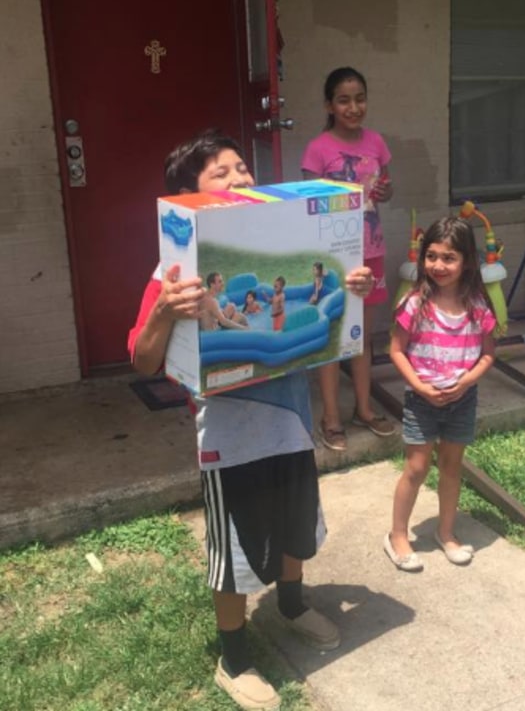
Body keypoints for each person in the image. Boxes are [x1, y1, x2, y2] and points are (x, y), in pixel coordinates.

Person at [128, 128, 373, 711]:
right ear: (189, 196)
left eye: (244, 167)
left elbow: (321, 319)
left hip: (289, 417)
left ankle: (291, 603)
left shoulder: (270, 260)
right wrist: (165, 309)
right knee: (234, 547)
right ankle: (233, 657)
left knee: (296, 520)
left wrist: (350, 285)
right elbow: (142, 358)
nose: (241, 178)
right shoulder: (171, 276)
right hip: (229, 435)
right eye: (223, 172)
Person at [385, 217, 497, 571]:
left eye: (449, 258)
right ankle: (397, 535)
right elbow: (396, 350)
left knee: (451, 467)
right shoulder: (414, 303)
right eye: (431, 256)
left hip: (462, 399)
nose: (438, 265)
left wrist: (466, 383)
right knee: (416, 468)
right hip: (421, 400)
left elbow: (489, 353)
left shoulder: (478, 305)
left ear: (467, 261)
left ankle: (445, 532)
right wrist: (418, 386)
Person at [301, 66, 396, 451]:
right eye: (344, 99)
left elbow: (383, 190)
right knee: (332, 336)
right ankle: (331, 417)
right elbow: (307, 206)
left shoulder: (376, 143)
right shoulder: (317, 149)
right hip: (333, 256)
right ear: (329, 105)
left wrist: (386, 192)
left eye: (359, 98)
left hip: (371, 251)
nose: (353, 107)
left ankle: (363, 408)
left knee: (362, 337)